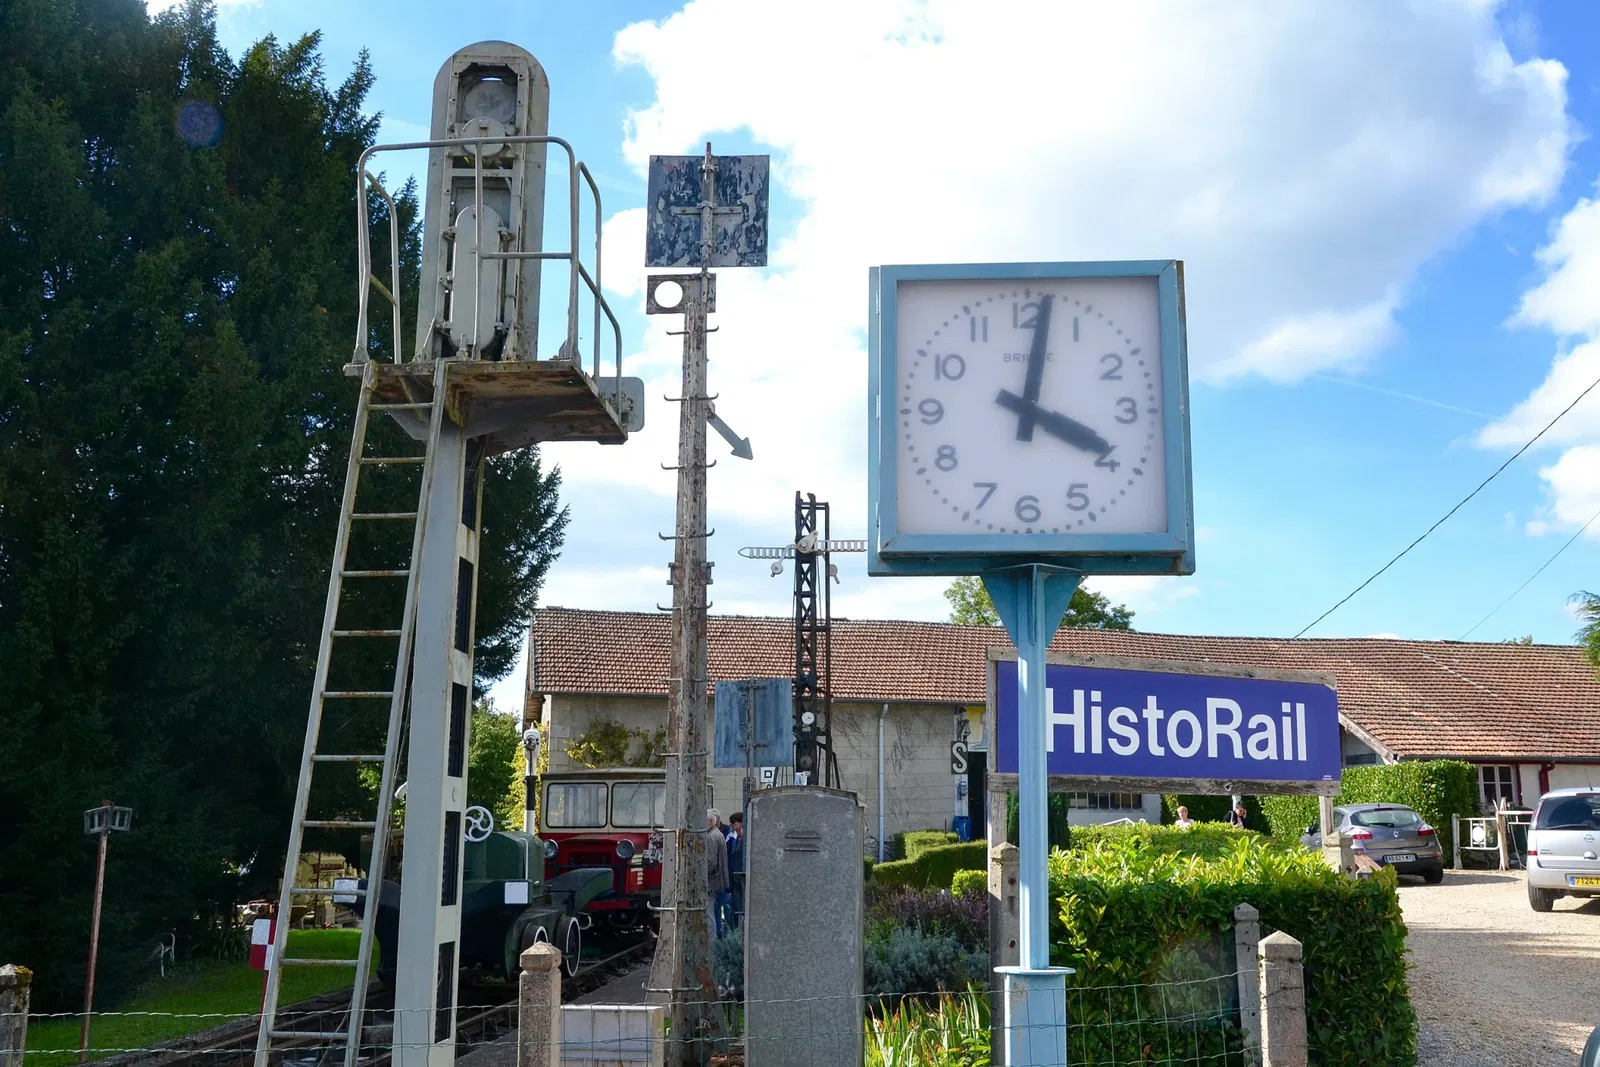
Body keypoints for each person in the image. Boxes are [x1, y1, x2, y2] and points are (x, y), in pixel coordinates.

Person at [706, 808, 731, 938]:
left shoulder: (711, 837)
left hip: (711, 882)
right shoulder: (718, 834)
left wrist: (702, 875)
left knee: (709, 915)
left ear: (709, 822)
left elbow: (710, 862)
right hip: (718, 880)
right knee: (714, 913)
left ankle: (712, 947)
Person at [725, 812, 745, 929]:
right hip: (735, 879)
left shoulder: (744, 840)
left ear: (741, 823)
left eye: (733, 822)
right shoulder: (737, 839)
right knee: (734, 908)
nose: (731, 825)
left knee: (739, 907)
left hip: (740, 879)